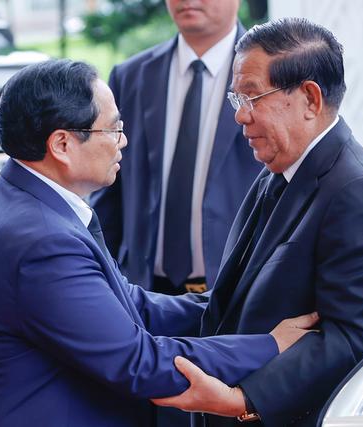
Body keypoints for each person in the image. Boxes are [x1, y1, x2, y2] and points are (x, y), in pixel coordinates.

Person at [0, 59, 317, 427]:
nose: (123, 141)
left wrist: (235, 306)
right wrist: (270, 345)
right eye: (112, 129)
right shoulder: (40, 241)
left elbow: (129, 304)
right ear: (62, 144)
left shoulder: (29, 200)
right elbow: (139, 363)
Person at [152, 17, 363, 426]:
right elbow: (231, 301)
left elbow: (355, 338)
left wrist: (242, 400)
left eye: (253, 97)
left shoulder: (357, 192)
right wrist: (129, 304)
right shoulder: (280, 169)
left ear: (310, 99)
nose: (241, 117)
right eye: (237, 100)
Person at [90, 0, 261, 296]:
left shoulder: (272, 78)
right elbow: (109, 190)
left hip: (237, 291)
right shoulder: (131, 76)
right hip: (143, 291)